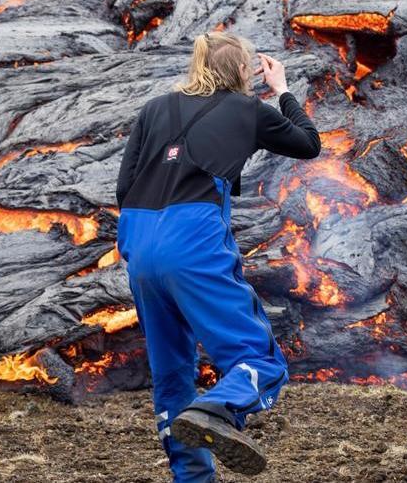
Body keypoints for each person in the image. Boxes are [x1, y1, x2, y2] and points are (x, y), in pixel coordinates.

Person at [115, 32, 321, 482]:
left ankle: (192, 476)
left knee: (172, 376)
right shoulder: (247, 110)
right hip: (193, 241)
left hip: (139, 242)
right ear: (244, 72)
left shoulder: (155, 108)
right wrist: (283, 90)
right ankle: (218, 408)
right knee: (260, 360)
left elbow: (124, 185)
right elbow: (309, 143)